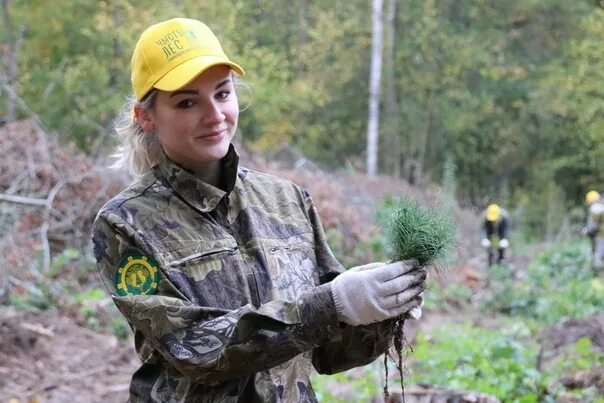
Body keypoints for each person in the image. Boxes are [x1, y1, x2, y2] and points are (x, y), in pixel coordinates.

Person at [91, 17, 426, 402]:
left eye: (222, 93)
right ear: (145, 116)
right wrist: (331, 303)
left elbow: (329, 352)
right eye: (187, 102)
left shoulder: (287, 200)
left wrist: (382, 312)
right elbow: (192, 349)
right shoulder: (125, 224)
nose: (214, 115)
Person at [582, 190, 604, 274]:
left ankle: (598, 275)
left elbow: (593, 226)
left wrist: (586, 231)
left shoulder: (595, 208)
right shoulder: (602, 205)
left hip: (601, 236)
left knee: (598, 256)